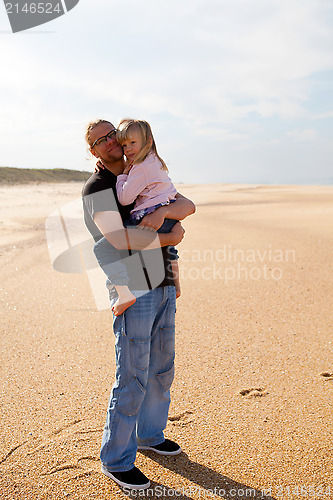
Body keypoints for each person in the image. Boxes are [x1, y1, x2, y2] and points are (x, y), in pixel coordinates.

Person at [82, 119, 195, 490]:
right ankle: (116, 458)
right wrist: (169, 235)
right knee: (131, 374)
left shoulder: (140, 170)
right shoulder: (98, 186)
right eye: (101, 139)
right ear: (93, 150)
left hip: (162, 283)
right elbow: (115, 239)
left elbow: (181, 204)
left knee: (162, 368)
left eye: (112, 132)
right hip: (133, 286)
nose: (110, 140)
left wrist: (166, 220)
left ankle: (150, 434)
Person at [93, 118, 181, 317]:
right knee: (169, 247)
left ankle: (123, 292)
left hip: (149, 216)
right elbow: (181, 200)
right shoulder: (154, 162)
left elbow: (124, 199)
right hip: (166, 213)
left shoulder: (138, 168)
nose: (128, 148)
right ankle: (177, 284)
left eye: (132, 143)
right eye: (125, 144)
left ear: (147, 142)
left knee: (101, 248)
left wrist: (124, 175)